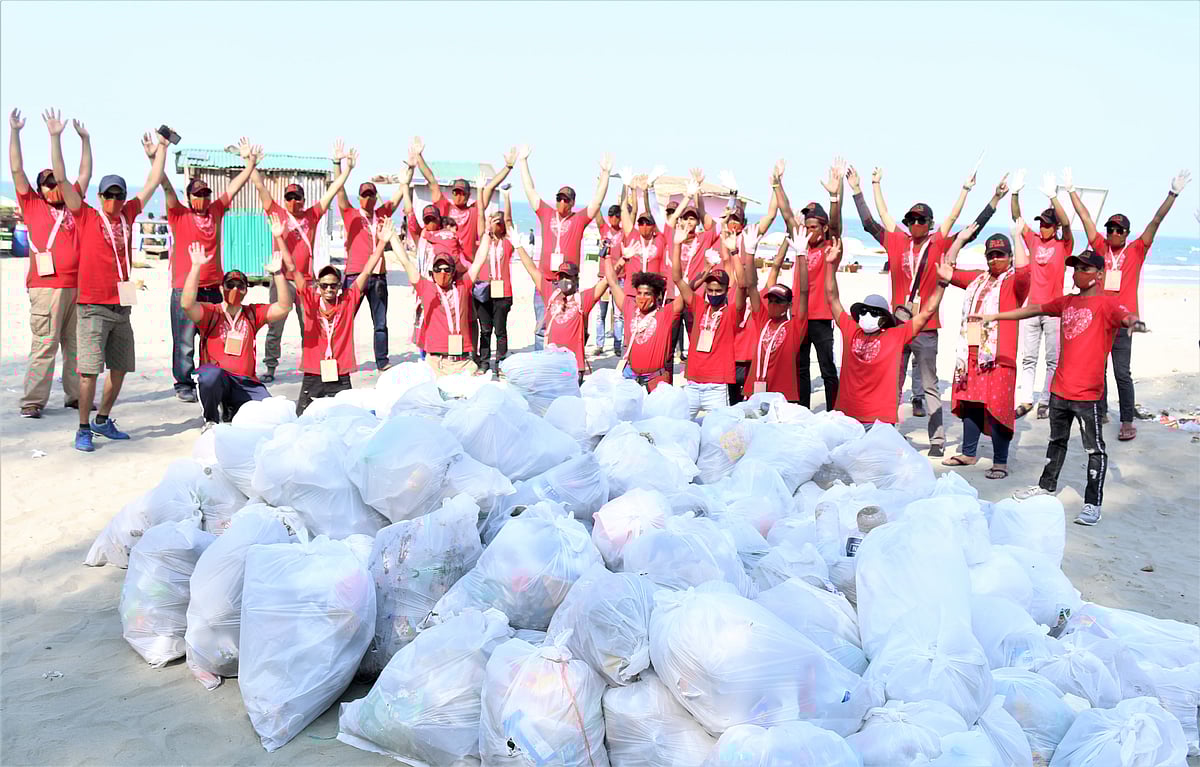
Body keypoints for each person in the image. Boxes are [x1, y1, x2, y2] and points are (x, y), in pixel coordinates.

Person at [976, 250, 1146, 526]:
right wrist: (995, 316)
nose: (1078, 273)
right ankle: (1046, 486)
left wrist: (1135, 324)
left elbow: (1127, 317)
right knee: (1056, 442)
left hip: (1087, 394)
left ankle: (1092, 503)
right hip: (1059, 390)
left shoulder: (1108, 304)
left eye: (1085, 269)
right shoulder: (1067, 302)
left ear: (1099, 275)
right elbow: (1034, 309)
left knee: (1095, 449)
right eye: (1076, 267)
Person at [848, 162, 1005, 456]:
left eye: (922, 220)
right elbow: (875, 219)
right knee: (892, 382)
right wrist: (867, 187)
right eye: (911, 220)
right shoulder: (896, 241)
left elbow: (962, 220)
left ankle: (937, 440)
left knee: (930, 386)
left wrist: (974, 192)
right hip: (895, 327)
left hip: (927, 326)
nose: (915, 224)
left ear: (930, 224)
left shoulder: (937, 242)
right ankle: (886, 431)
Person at [47, 110, 167, 452]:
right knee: (88, 373)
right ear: (100, 196)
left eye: (118, 195)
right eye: (109, 195)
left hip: (121, 306)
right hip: (92, 308)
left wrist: (162, 148)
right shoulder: (84, 214)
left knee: (120, 368)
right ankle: (83, 428)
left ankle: (102, 420)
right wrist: (59, 137)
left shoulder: (129, 214)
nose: (114, 200)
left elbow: (153, 180)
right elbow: (62, 176)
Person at [1065, 167, 1191, 441]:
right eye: (1110, 228)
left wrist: (1173, 194)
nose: (1114, 232)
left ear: (1127, 233)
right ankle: (1100, 412)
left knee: (1122, 372)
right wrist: (1071, 191)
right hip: (1099, 319)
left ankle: (1126, 420)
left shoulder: (1136, 249)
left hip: (1123, 321)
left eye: (1119, 229)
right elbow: (1086, 217)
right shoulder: (1099, 246)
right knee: (1098, 369)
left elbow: (1156, 221)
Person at [159, 137, 260, 402]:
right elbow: (165, 185)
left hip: (215, 289)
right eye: (198, 194)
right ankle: (183, 383)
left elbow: (235, 187)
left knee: (213, 336)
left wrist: (249, 164)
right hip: (186, 288)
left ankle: (210, 376)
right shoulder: (178, 214)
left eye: (206, 194)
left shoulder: (216, 211)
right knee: (183, 341)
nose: (203, 199)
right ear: (189, 197)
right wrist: (158, 154)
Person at [825, 231, 952, 427]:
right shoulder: (851, 329)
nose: (868, 316)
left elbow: (926, 312)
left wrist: (942, 284)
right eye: (865, 311)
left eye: (875, 313)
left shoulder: (895, 336)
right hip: (847, 416)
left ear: (885, 319)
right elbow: (832, 297)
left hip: (879, 421)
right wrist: (830, 266)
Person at [251, 140, 354, 382]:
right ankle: (270, 367)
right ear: (284, 199)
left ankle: (316, 364)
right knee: (275, 324)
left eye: (297, 198)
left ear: (304, 199)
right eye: (289, 198)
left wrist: (344, 167)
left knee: (310, 326)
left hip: (305, 281)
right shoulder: (277, 212)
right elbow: (259, 186)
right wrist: (251, 163)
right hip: (280, 279)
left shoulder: (312, 215)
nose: (293, 202)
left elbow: (332, 191)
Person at [10, 108, 90, 419]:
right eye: (47, 183)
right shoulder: (30, 204)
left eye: (56, 182)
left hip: (77, 286)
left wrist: (84, 141)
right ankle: (33, 401)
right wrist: (16, 132)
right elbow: (17, 170)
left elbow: (84, 173)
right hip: (46, 288)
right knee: (44, 344)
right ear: (39, 189)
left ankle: (74, 396)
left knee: (75, 347)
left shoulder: (72, 201)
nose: (52, 187)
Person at [180, 217, 295, 428]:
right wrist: (196, 267)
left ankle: (233, 407)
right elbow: (187, 304)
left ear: (246, 290)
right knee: (209, 376)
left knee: (270, 414)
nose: (234, 289)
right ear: (222, 288)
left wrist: (278, 273)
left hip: (245, 381)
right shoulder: (211, 312)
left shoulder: (252, 313)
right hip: (219, 379)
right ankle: (211, 419)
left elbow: (284, 306)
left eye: (239, 285)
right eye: (229, 285)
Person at [941, 223, 1031, 479]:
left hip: (998, 355)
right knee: (970, 402)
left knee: (998, 406)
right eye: (991, 254)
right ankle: (969, 452)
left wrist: (1017, 235)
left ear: (1010, 257)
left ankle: (1000, 461)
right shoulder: (978, 279)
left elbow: (1025, 270)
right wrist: (961, 239)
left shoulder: (1014, 282)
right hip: (970, 351)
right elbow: (947, 269)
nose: (995, 258)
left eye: (1000, 254)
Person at [515, 144, 612, 350]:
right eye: (558, 198)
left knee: (570, 322)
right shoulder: (546, 214)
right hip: (546, 281)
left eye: (565, 199)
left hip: (568, 282)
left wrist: (605, 175)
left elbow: (597, 201)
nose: (561, 202)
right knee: (542, 325)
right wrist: (523, 163)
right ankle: (542, 362)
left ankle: (568, 358)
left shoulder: (578, 220)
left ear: (573, 202)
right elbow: (530, 191)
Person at [292, 217, 391, 413]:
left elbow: (367, 269)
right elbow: (294, 269)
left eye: (334, 285)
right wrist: (279, 237)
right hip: (313, 372)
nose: (329, 288)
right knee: (302, 420)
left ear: (340, 286)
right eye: (324, 285)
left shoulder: (347, 300)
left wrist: (381, 243)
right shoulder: (311, 301)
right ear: (318, 287)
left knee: (346, 421)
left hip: (341, 372)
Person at [1010, 170, 1073, 420]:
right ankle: (1026, 399)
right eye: (1041, 224)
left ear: (1054, 227)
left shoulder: (1063, 245)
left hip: (1053, 310)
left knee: (1052, 359)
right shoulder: (1034, 241)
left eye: (1047, 224)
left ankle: (1046, 400)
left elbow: (1068, 225)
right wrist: (1014, 194)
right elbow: (1017, 217)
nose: (1042, 228)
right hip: (1031, 308)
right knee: (1028, 357)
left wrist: (1053, 196)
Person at [389, 221, 489, 377]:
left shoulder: (462, 286)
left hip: (462, 362)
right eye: (438, 269)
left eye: (447, 269)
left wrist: (487, 234)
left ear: (453, 271)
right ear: (432, 271)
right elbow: (406, 262)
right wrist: (392, 237)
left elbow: (479, 261)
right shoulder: (426, 287)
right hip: (436, 363)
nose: (442, 273)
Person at [336, 159, 408, 374]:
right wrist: (337, 164)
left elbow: (397, 197)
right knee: (346, 319)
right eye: (364, 195)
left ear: (376, 198)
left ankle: (382, 361)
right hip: (355, 275)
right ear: (359, 198)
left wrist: (409, 172)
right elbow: (339, 191)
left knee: (380, 322)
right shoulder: (350, 214)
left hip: (378, 276)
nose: (368, 198)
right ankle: (342, 358)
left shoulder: (382, 214)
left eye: (371, 195)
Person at [785, 158, 845, 412]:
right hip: (799, 315)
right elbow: (787, 215)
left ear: (823, 229)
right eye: (806, 226)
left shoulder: (830, 246)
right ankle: (802, 410)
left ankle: (834, 411)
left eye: (814, 227)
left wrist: (834, 198)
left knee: (827, 367)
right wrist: (777, 185)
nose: (809, 231)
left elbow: (836, 224)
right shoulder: (801, 246)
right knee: (800, 367)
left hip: (820, 316)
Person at [672, 219, 746, 418]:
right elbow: (678, 279)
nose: (713, 293)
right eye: (710, 290)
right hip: (692, 383)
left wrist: (734, 252)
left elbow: (743, 285)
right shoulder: (698, 306)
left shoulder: (731, 312)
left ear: (725, 291)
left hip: (716, 386)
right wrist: (677, 245)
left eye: (718, 290)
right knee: (680, 429)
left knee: (721, 436)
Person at [511, 248, 609, 384]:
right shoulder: (550, 293)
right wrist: (518, 246)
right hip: (551, 363)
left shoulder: (583, 299)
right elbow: (532, 269)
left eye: (568, 277)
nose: (564, 280)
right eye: (561, 277)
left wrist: (613, 259)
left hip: (573, 365)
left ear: (576, 279)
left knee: (569, 400)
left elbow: (607, 281)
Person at [409, 137, 514, 258]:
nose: (458, 196)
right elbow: (432, 181)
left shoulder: (474, 210)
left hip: (469, 264)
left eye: (462, 193)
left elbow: (490, 187)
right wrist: (419, 156)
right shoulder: (445, 207)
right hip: (448, 263)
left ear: (469, 195)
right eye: (455, 192)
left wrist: (508, 166)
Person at [739, 232, 810, 401]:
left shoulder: (794, 327)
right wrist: (749, 253)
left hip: (781, 396)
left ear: (788, 305)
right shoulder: (763, 320)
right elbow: (751, 286)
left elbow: (805, 292)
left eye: (778, 301)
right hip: (754, 391)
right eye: (770, 300)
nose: (772, 305)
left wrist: (801, 256)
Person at [604, 257, 682, 392]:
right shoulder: (629, 308)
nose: (641, 297)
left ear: (656, 296)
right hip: (630, 377)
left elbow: (687, 292)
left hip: (656, 380)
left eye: (647, 294)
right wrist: (606, 257)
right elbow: (613, 283)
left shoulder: (666, 314)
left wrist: (705, 270)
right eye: (639, 293)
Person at [469, 194, 519, 374]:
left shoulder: (507, 243)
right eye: (493, 222)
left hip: (503, 292)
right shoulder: (484, 240)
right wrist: (481, 191)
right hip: (483, 290)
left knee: (500, 330)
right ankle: (483, 362)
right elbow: (480, 216)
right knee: (485, 329)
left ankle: (500, 363)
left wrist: (506, 197)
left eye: (499, 222)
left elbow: (509, 219)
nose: (496, 225)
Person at [593, 201, 626, 356]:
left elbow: (630, 215)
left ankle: (618, 345)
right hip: (603, 278)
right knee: (601, 314)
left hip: (619, 278)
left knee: (618, 315)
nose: (614, 218)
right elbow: (596, 210)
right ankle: (599, 345)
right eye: (611, 215)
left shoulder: (625, 232)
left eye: (617, 215)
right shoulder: (603, 229)